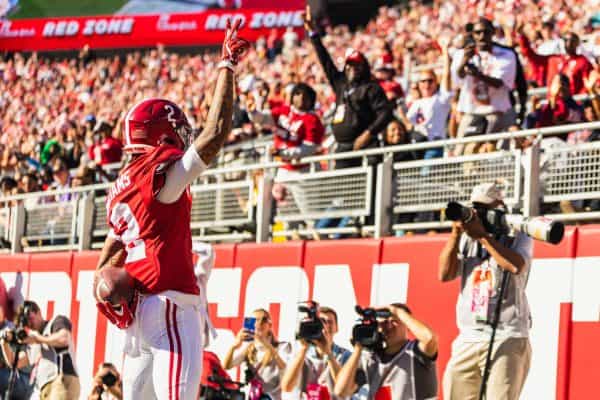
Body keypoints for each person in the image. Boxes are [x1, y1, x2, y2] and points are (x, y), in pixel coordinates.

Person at [92, 20, 249, 400]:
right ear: (163, 134)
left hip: (140, 318)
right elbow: (214, 135)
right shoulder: (161, 180)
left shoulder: (120, 189)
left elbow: (106, 263)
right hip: (172, 308)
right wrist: (226, 66)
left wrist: (106, 287)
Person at [438, 182, 533, 399]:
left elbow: (516, 266)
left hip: (506, 334)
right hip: (469, 335)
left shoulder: (518, 234)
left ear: (499, 208)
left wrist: (483, 237)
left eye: (484, 209)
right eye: (474, 208)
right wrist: (455, 235)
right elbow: (444, 274)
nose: (477, 214)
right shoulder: (465, 237)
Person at [304, 5, 392, 169]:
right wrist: (313, 33)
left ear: (364, 67)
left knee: (370, 187)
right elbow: (325, 61)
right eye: (350, 66)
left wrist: (368, 133)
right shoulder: (340, 84)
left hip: (365, 145)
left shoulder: (371, 88)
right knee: (343, 190)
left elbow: (385, 113)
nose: (353, 69)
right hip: (343, 148)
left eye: (357, 66)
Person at [333, 304, 438, 400]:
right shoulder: (371, 358)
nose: (389, 326)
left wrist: (398, 312)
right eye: (384, 323)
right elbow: (340, 391)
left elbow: (429, 339)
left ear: (407, 325)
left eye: (394, 321)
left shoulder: (415, 352)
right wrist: (358, 346)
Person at [451, 18, 518, 156]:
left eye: (486, 32)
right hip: (471, 112)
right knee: (460, 153)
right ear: (473, 34)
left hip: (497, 113)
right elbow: (457, 80)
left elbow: (500, 83)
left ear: (493, 33)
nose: (482, 36)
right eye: (478, 32)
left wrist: (478, 75)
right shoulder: (461, 54)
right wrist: (464, 60)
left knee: (495, 154)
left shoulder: (506, 54)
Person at [0, 300, 80, 399]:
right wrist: (4, 343)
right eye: (26, 322)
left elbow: (63, 339)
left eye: (30, 318)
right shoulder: (34, 341)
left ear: (38, 312)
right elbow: (14, 363)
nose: (29, 324)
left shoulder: (56, 322)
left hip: (61, 380)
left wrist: (38, 339)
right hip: (45, 388)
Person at [281, 305, 351, 400]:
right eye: (321, 321)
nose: (325, 326)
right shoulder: (300, 354)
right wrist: (304, 348)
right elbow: (287, 387)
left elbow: (344, 389)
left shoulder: (345, 355)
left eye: (329, 322)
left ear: (337, 328)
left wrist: (328, 353)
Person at [222, 309, 291, 400]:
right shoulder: (248, 347)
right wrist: (234, 346)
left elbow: (285, 368)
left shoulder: (283, 347)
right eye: (254, 320)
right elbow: (227, 365)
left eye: (263, 320)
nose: (259, 324)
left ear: (270, 325)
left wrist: (267, 344)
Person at [402, 37, 452, 159]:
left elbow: (447, 74)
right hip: (417, 143)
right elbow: (409, 124)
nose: (426, 84)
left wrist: (444, 50)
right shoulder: (416, 102)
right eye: (423, 81)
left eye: (430, 81)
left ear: (436, 82)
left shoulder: (441, 98)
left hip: (434, 144)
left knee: (426, 174)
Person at [517, 23, 593, 95]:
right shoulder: (554, 59)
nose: (568, 43)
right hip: (555, 104)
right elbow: (531, 55)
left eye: (572, 41)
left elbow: (588, 83)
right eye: (566, 40)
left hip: (575, 103)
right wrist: (522, 36)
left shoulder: (583, 61)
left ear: (576, 44)